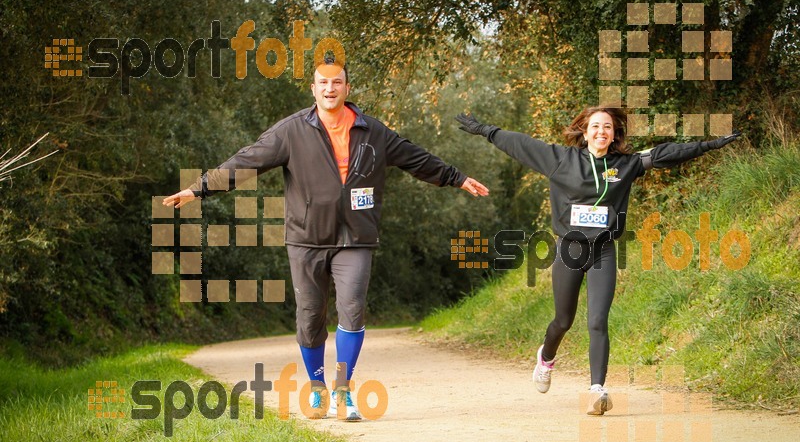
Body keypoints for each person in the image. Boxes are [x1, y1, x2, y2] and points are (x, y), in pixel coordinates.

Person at [164, 60, 489, 422]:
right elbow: (247, 160)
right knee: (310, 316)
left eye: (337, 82)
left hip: (356, 238)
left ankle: (343, 388)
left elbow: (416, 158)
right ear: (313, 89)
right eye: (323, 83)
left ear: (348, 89)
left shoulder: (373, 132)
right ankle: (317, 388)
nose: (330, 88)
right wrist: (199, 189)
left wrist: (456, 177)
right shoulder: (292, 131)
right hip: (306, 239)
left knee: (352, 309)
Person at [456, 107, 739, 415]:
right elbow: (520, 144)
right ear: (585, 131)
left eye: (608, 127)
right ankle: (546, 358)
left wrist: (710, 144)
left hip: (603, 250)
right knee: (563, 321)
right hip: (570, 250)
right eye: (595, 126)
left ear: (614, 134)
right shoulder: (563, 160)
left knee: (597, 320)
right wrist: (485, 129)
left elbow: (665, 153)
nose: (602, 131)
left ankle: (596, 390)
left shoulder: (626, 165)